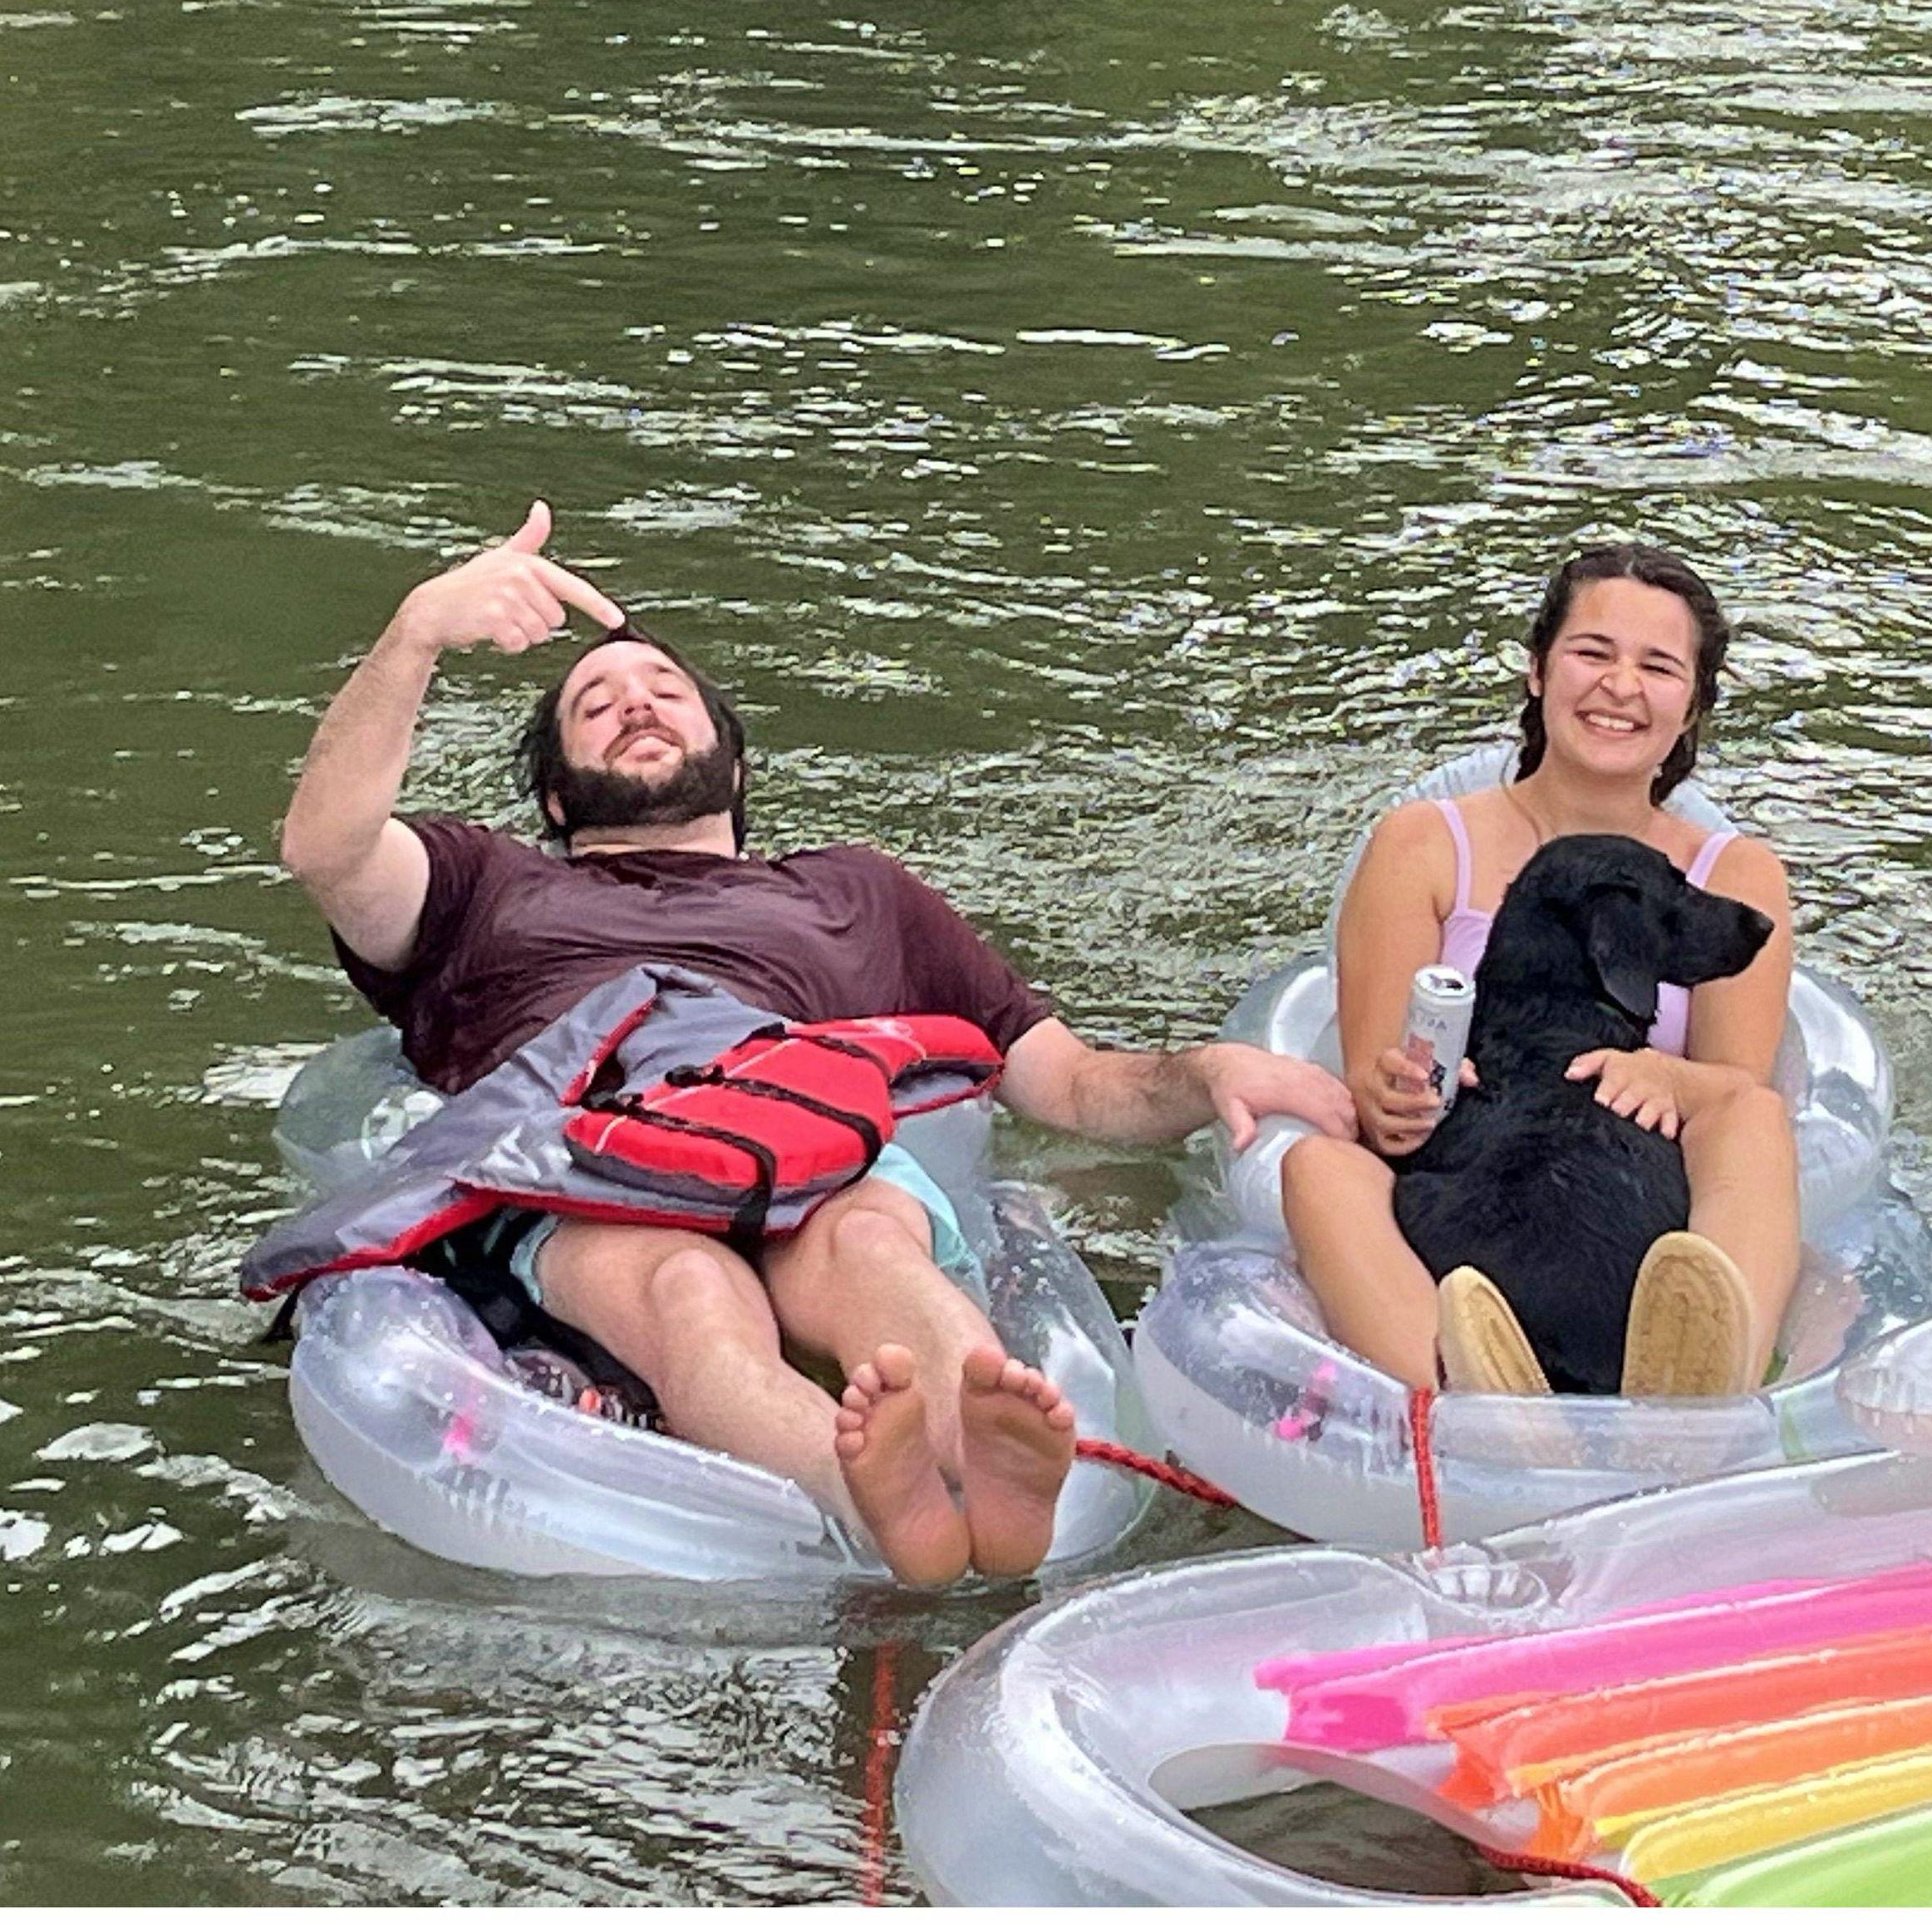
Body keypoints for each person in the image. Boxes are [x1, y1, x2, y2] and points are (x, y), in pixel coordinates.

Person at [276, 502, 1354, 1585]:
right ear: (557, 796)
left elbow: (1065, 1082)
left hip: (803, 1134)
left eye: (666, 691)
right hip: (588, 1155)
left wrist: (1205, 1071)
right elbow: (327, 849)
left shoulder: (856, 893)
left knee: (872, 1248)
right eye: (595, 704)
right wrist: (417, 634)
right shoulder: (484, 886)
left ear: (735, 769)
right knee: (688, 1292)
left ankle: (991, 1470)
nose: (635, 703)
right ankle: (872, 1496)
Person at [1280, 543, 1799, 1396]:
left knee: (1754, 1114)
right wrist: (1400, 1092)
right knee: (1317, 1166)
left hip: (1627, 1195)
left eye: (1657, 667)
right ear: (1537, 670)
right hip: (1478, 1185)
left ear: (1692, 706)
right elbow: (1371, 1088)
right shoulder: (1422, 843)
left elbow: (1734, 1088)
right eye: (1592, 653)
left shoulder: (1735, 875)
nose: (1620, 686)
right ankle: (1481, 1396)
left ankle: (1700, 1385)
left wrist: (1662, 1074)